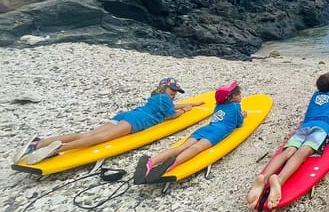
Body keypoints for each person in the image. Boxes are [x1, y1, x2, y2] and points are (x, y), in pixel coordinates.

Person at [17, 78, 204, 165]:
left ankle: (38, 142)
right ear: (166, 89)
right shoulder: (165, 100)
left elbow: (172, 106)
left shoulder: (157, 97)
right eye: (173, 92)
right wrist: (184, 111)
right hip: (136, 122)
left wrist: (192, 103)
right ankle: (57, 149)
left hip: (125, 116)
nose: (174, 96)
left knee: (89, 134)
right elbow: (171, 115)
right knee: (101, 139)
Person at [246, 73, 329, 209]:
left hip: (304, 128)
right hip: (321, 129)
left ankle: (263, 178)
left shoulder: (315, 96)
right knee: (302, 153)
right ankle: (279, 180)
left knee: (288, 152)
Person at [134, 81, 246, 184]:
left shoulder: (219, 105)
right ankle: (172, 164)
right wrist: (243, 115)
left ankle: (151, 162)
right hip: (218, 131)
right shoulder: (236, 106)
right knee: (196, 148)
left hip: (205, 129)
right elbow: (239, 124)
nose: (240, 95)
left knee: (181, 147)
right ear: (232, 97)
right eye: (239, 93)